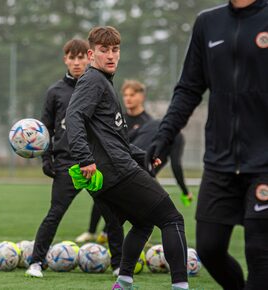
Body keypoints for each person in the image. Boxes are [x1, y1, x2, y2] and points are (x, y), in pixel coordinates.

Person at [146, 1, 268, 289]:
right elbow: (189, 88)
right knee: (209, 248)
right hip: (220, 159)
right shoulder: (208, 23)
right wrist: (163, 137)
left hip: (265, 161)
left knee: (260, 252)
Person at [66, 26, 189, 290]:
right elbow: (73, 118)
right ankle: (181, 286)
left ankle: (123, 282)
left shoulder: (102, 83)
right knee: (172, 219)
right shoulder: (93, 80)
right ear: (91, 54)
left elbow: (114, 139)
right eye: (103, 50)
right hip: (116, 171)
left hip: (109, 173)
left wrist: (144, 156)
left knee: (143, 223)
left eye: (115, 50)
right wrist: (84, 158)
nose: (110, 55)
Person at [25, 38, 124, 278]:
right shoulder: (55, 92)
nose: (77, 62)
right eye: (72, 57)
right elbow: (45, 128)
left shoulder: (97, 84)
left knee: (111, 214)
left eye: (81, 57)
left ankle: (120, 264)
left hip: (95, 163)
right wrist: (46, 158)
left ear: (88, 58)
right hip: (67, 165)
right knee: (55, 212)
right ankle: (36, 262)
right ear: (66, 59)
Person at [76, 79, 193, 244]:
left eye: (132, 94)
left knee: (121, 204)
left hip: (136, 171)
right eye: (125, 95)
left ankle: (111, 235)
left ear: (141, 96)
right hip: (121, 166)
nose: (128, 98)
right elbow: (121, 143)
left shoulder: (150, 123)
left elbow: (135, 148)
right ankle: (96, 232)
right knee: (108, 198)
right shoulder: (118, 118)